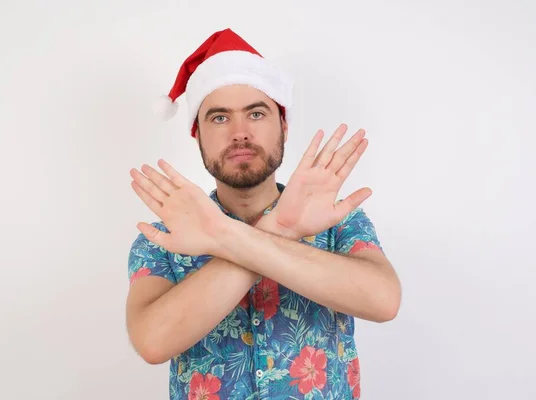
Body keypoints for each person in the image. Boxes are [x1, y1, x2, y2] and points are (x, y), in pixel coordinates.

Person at [126, 28, 401, 400]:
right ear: (198, 136)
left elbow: (383, 300)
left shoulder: (337, 219)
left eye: (256, 113)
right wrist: (281, 230)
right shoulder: (163, 238)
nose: (240, 133)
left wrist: (229, 238)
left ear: (283, 126)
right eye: (219, 118)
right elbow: (153, 341)